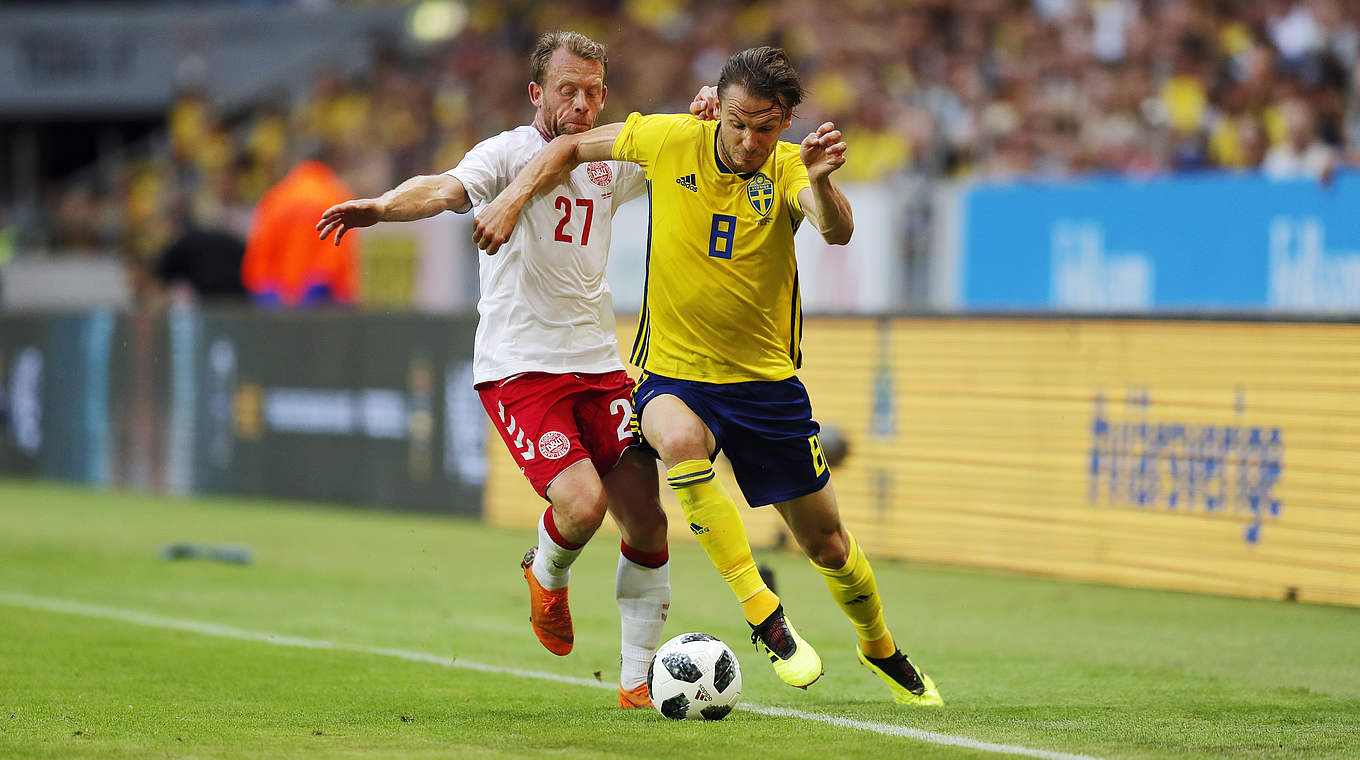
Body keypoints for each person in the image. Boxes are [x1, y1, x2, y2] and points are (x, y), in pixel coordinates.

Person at [472, 46, 943, 707]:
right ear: (715, 106)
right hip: (674, 375)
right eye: (738, 123)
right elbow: (566, 152)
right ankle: (765, 617)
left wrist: (824, 180)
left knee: (829, 545)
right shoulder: (668, 138)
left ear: (784, 125)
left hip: (764, 387)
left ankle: (879, 646)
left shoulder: (787, 166)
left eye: (766, 128)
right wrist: (513, 198)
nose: (750, 141)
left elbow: (835, 232)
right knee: (677, 441)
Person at [315, 31, 670, 709]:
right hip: (522, 369)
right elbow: (445, 189)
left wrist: (704, 110)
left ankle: (637, 683)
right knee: (582, 505)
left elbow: (677, 148)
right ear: (537, 92)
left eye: (594, 90)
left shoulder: (607, 157)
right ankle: (546, 573)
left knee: (647, 522)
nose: (583, 103)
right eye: (568, 89)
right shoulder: (505, 153)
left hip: (599, 367)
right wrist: (384, 208)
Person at [245, 154, 358, 306]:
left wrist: (267, 290)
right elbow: (338, 249)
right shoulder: (336, 196)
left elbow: (260, 250)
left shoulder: (276, 197)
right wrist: (317, 282)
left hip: (280, 300)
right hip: (325, 300)